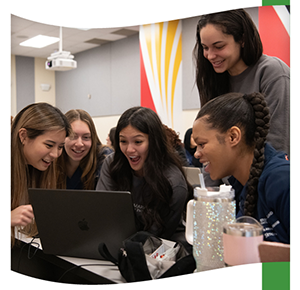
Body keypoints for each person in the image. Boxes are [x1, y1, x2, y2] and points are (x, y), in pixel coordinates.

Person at [192, 92, 290, 244]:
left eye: (202, 144)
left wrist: (260, 269)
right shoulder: (241, 188)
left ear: (233, 137)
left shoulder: (283, 180)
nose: (197, 154)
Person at [194, 8, 290, 156]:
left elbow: (276, 146)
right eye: (205, 48)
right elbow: (208, 142)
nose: (210, 55)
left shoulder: (272, 73)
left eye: (219, 46)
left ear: (242, 39)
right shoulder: (214, 79)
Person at [96, 106, 193, 248]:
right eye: (123, 141)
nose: (129, 149)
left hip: (155, 253)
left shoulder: (173, 183)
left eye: (138, 142)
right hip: (114, 244)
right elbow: (102, 214)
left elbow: (156, 240)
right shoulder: (112, 164)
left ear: (154, 142)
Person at [11, 102, 71, 245]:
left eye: (60, 147)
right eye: (49, 145)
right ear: (24, 136)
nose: (56, 154)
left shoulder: (40, 170)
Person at [56, 109, 113, 190]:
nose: (79, 144)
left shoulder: (104, 158)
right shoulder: (52, 158)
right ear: (62, 137)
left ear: (93, 139)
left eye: (86, 137)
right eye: (73, 136)